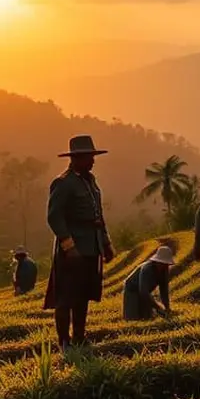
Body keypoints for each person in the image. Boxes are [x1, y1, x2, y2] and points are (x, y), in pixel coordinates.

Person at [44, 135, 115, 352]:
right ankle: (64, 341)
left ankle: (80, 337)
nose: (92, 161)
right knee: (66, 296)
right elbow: (54, 216)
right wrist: (69, 244)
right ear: (75, 159)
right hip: (72, 249)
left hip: (91, 246)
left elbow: (98, 215)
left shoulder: (90, 182)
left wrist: (105, 242)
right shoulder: (64, 183)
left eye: (92, 157)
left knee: (83, 295)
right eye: (88, 157)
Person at [123, 246, 175, 321]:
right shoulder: (147, 269)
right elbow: (143, 291)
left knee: (147, 316)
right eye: (162, 263)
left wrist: (167, 307)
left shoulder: (165, 271)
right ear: (157, 261)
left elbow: (164, 290)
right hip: (132, 289)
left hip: (145, 290)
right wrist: (158, 307)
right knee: (133, 317)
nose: (164, 266)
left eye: (166, 264)